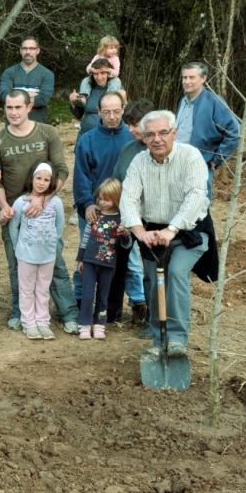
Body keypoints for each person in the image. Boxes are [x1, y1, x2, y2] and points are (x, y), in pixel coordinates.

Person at [121, 111, 212, 359]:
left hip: (189, 232)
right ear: (143, 137)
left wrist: (171, 229)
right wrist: (140, 231)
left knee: (175, 273)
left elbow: (196, 196)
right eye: (150, 134)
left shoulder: (190, 157)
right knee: (153, 282)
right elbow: (128, 198)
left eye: (163, 133)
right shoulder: (139, 162)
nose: (157, 139)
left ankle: (177, 339)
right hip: (152, 233)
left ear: (174, 133)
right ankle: (158, 338)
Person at [0, 90, 79, 333]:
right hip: (15, 213)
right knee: (17, 264)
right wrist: (5, 206)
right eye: (9, 108)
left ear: (30, 107)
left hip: (45, 211)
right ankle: (21, 312)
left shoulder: (47, 132)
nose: (13, 112)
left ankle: (68, 313)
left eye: (18, 107)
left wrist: (44, 199)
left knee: (55, 263)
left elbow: (61, 170)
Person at [70, 92, 132, 307]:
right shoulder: (87, 140)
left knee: (129, 260)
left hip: (124, 210)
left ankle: (137, 301)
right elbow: (81, 176)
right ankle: (79, 299)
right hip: (96, 208)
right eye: (106, 112)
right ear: (98, 112)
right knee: (87, 253)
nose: (112, 116)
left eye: (116, 111)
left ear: (123, 109)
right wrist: (87, 204)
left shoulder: (132, 138)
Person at [8, 162, 66, 341]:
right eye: (38, 178)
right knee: (26, 289)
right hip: (26, 254)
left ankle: (42, 321)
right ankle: (28, 323)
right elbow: (14, 227)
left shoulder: (55, 202)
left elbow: (60, 226)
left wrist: (52, 243)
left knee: (43, 289)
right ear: (31, 179)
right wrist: (19, 247)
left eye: (46, 180)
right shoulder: (21, 202)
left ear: (52, 182)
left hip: (47, 254)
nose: (42, 183)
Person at [111, 99, 154, 333]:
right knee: (125, 266)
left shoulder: (161, 148)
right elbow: (117, 180)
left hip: (154, 222)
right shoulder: (128, 149)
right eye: (128, 124)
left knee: (151, 271)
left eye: (134, 124)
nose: (130, 129)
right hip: (128, 219)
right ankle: (122, 310)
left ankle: (153, 318)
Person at [175, 61, 240, 198]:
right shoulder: (183, 100)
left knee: (200, 207)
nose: (187, 81)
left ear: (203, 79)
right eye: (184, 77)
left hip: (200, 163)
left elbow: (233, 131)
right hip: (177, 162)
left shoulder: (214, 101)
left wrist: (217, 159)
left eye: (191, 77)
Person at [75, 178, 130, 340]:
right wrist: (80, 258)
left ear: (116, 199)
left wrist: (125, 234)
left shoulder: (122, 219)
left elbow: (126, 245)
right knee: (87, 294)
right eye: (99, 198)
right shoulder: (94, 215)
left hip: (108, 263)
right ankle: (84, 323)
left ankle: (99, 323)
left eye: (107, 199)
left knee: (103, 295)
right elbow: (85, 237)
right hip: (90, 261)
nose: (102, 202)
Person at [0, 37, 55, 123]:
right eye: (25, 48)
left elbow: (43, 99)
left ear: (38, 51)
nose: (28, 52)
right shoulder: (9, 72)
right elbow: (4, 95)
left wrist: (15, 95)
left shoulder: (47, 74)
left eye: (32, 48)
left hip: (37, 125)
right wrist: (31, 96)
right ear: (20, 50)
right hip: (13, 125)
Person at [69, 59, 126, 136]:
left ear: (109, 74)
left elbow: (124, 116)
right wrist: (72, 102)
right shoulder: (87, 89)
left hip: (108, 135)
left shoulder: (116, 90)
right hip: (85, 134)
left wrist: (124, 102)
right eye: (96, 74)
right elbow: (78, 115)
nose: (99, 77)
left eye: (102, 73)